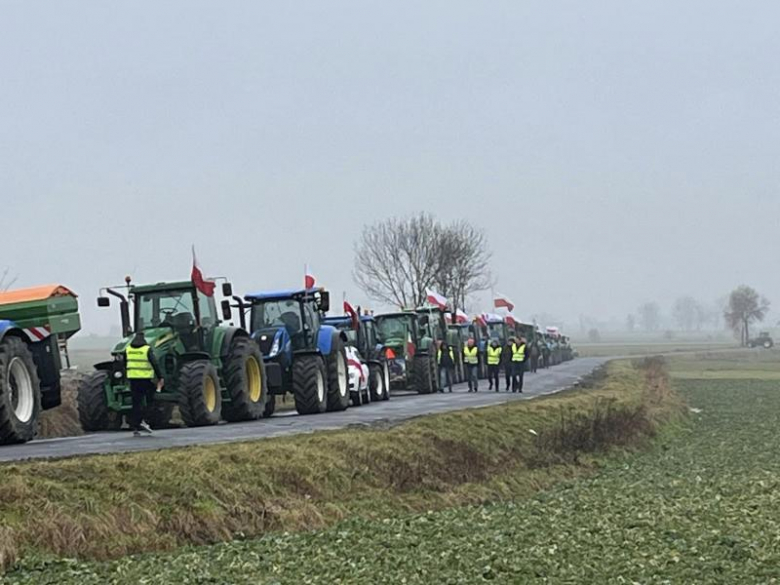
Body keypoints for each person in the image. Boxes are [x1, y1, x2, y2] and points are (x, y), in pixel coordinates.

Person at [125, 331, 164, 436]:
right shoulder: (146, 349)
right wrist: (160, 377)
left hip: (133, 379)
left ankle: (135, 426)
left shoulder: (128, 349)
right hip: (145, 379)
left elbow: (125, 364)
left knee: (136, 403)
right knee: (150, 400)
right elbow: (154, 363)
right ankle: (144, 420)